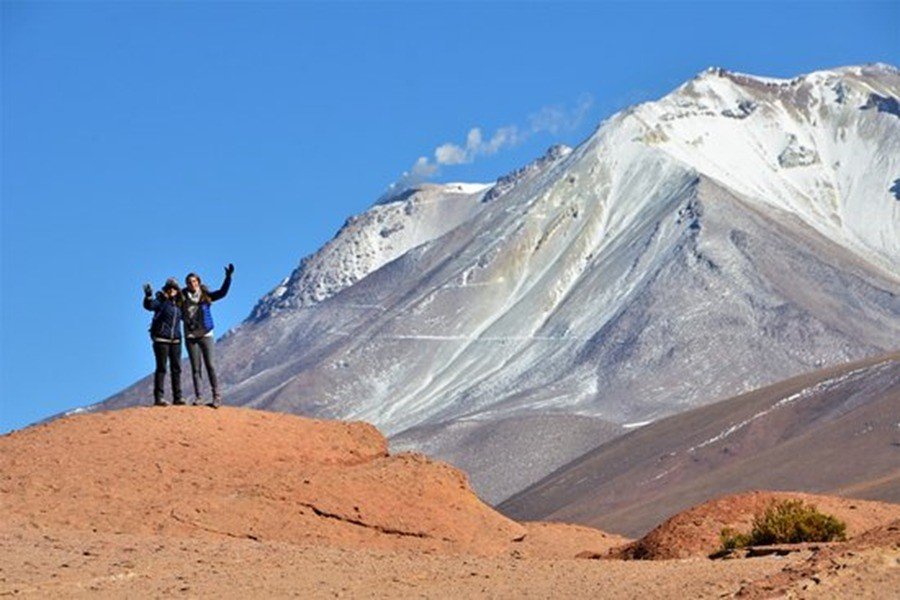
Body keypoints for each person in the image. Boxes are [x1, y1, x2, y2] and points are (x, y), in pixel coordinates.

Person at [181, 263, 233, 407]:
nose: (192, 284)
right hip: (190, 336)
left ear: (199, 282)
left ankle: (216, 396)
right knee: (196, 368)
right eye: (189, 282)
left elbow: (222, 293)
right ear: (186, 284)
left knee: (210, 365)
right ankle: (199, 397)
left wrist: (228, 277)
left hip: (206, 334)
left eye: (195, 281)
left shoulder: (205, 296)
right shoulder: (182, 298)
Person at [143, 278, 185, 406]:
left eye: (174, 288)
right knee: (161, 368)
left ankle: (178, 397)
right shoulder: (161, 301)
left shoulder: (179, 304)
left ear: (177, 290)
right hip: (161, 339)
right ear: (165, 289)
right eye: (169, 288)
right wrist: (148, 296)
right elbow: (149, 306)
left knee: (176, 368)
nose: (171, 290)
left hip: (176, 340)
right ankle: (159, 397)